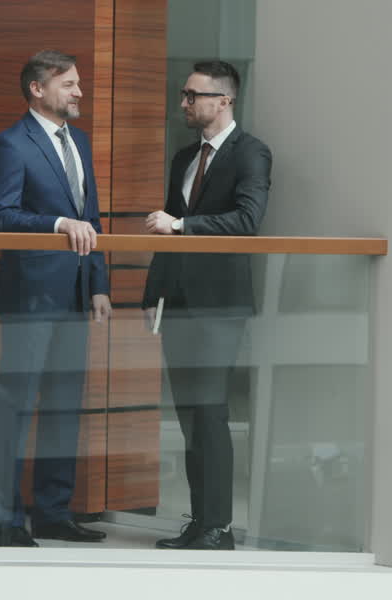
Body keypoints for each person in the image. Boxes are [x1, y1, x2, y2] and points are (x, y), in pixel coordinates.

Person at [0, 50, 113, 547]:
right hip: (31, 297)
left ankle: (53, 512)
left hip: (78, 295)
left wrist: (99, 284)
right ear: (38, 89)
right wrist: (57, 224)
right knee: (15, 405)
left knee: (65, 405)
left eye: (79, 84)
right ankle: (7, 520)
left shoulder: (78, 140)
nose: (80, 92)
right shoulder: (10, 144)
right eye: (70, 84)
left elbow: (93, 219)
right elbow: (1, 217)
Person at [142, 60, 272, 550]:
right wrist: (153, 293)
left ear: (224, 100)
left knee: (211, 412)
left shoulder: (251, 153)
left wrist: (181, 226)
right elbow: (166, 231)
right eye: (184, 94)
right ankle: (200, 522)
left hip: (219, 305)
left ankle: (220, 526)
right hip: (176, 301)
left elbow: (247, 220)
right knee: (188, 415)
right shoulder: (184, 158)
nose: (184, 103)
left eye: (192, 95)